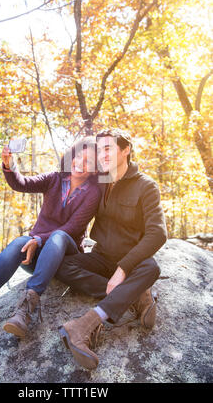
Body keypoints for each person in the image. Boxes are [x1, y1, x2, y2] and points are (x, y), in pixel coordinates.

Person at [0, 137, 101, 355]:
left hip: (66, 254)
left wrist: (39, 239)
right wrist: (9, 165)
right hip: (38, 256)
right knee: (19, 242)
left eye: (89, 161)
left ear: (96, 169)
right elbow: (21, 184)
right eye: (79, 156)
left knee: (57, 236)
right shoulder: (55, 179)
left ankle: (27, 308)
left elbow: (73, 228)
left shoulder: (93, 193)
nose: (80, 163)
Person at [56, 129, 167, 370]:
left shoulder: (146, 186)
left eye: (108, 148)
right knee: (61, 264)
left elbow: (158, 234)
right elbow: (67, 187)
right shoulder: (100, 181)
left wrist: (123, 269)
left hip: (130, 262)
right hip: (100, 257)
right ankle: (134, 296)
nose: (102, 154)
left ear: (125, 150)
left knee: (151, 267)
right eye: (100, 149)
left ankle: (83, 325)